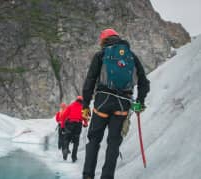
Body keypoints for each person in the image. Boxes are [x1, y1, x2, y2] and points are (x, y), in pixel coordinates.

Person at [81, 28, 150, 179]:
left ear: (103, 40)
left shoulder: (101, 55)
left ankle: (87, 176)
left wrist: (85, 105)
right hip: (123, 105)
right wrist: (140, 101)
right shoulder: (131, 57)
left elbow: (90, 81)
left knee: (94, 140)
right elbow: (144, 82)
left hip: (102, 102)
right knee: (113, 144)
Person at [60, 96, 88, 162]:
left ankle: (66, 149)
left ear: (76, 100)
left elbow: (63, 116)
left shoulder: (70, 106)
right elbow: (85, 117)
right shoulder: (84, 107)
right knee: (76, 141)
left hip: (70, 123)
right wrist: (85, 123)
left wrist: (62, 126)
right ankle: (74, 157)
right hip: (78, 125)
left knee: (67, 138)